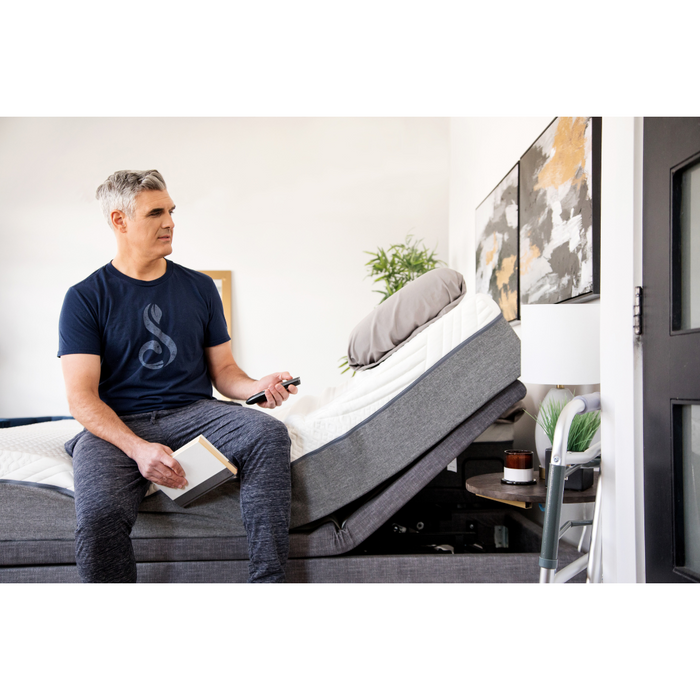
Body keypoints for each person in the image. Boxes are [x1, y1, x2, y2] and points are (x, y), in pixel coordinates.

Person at [58, 169, 297, 583]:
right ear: (120, 221)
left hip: (194, 412)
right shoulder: (85, 298)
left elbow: (224, 373)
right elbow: (82, 398)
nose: (169, 222)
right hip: (119, 424)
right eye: (155, 213)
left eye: (170, 211)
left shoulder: (201, 288)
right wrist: (137, 449)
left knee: (267, 433)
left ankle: (269, 582)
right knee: (99, 514)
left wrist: (257, 387)